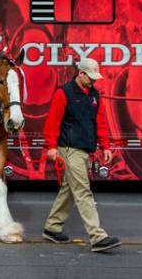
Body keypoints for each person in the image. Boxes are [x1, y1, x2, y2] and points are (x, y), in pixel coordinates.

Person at [41, 57, 121, 252]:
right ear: (81, 73)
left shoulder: (95, 95)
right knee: (83, 190)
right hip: (68, 149)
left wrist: (106, 146)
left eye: (95, 77)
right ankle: (97, 236)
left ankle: (52, 227)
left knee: (69, 189)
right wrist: (51, 146)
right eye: (91, 77)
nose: (94, 81)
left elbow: (100, 122)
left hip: (84, 150)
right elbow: (52, 122)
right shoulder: (64, 93)